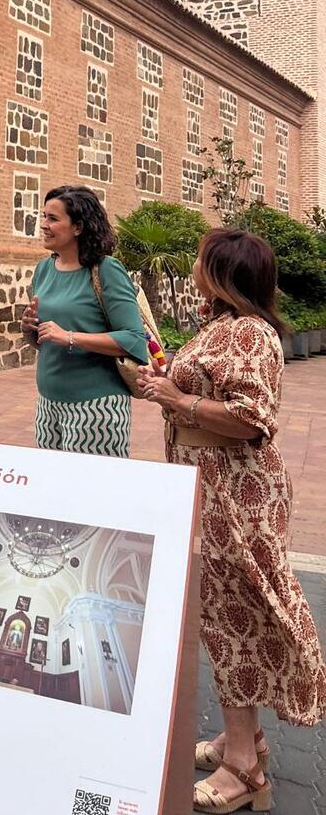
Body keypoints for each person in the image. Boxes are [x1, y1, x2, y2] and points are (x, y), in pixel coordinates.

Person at [138, 228, 325, 814]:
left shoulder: (247, 331)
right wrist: (166, 387)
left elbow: (250, 419)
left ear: (222, 270)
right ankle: (245, 738)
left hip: (235, 496)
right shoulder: (223, 324)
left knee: (234, 619)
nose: (193, 264)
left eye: (200, 258)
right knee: (227, 613)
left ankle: (243, 767)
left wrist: (176, 399)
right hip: (217, 489)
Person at [21, 185, 147, 457]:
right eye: (43, 216)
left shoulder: (106, 270)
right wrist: (29, 328)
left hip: (95, 407)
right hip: (47, 403)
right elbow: (43, 340)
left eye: (53, 219)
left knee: (90, 494)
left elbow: (133, 339)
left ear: (78, 227)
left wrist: (68, 336)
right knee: (51, 490)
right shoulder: (44, 269)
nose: (43, 225)